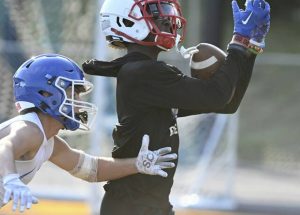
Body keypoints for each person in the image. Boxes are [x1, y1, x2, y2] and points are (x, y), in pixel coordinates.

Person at [82, 0, 271, 215]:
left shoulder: (146, 73)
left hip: (149, 205)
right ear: (126, 20)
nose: (169, 19)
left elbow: (226, 104)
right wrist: (239, 43)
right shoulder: (144, 73)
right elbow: (216, 95)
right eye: (157, 12)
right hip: (132, 207)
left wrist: (250, 49)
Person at [0, 53, 178, 213]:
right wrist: (10, 179)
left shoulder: (49, 142)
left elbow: (91, 169)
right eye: (73, 94)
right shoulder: (31, 131)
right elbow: (5, 145)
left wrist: (138, 165)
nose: (78, 103)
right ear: (46, 94)